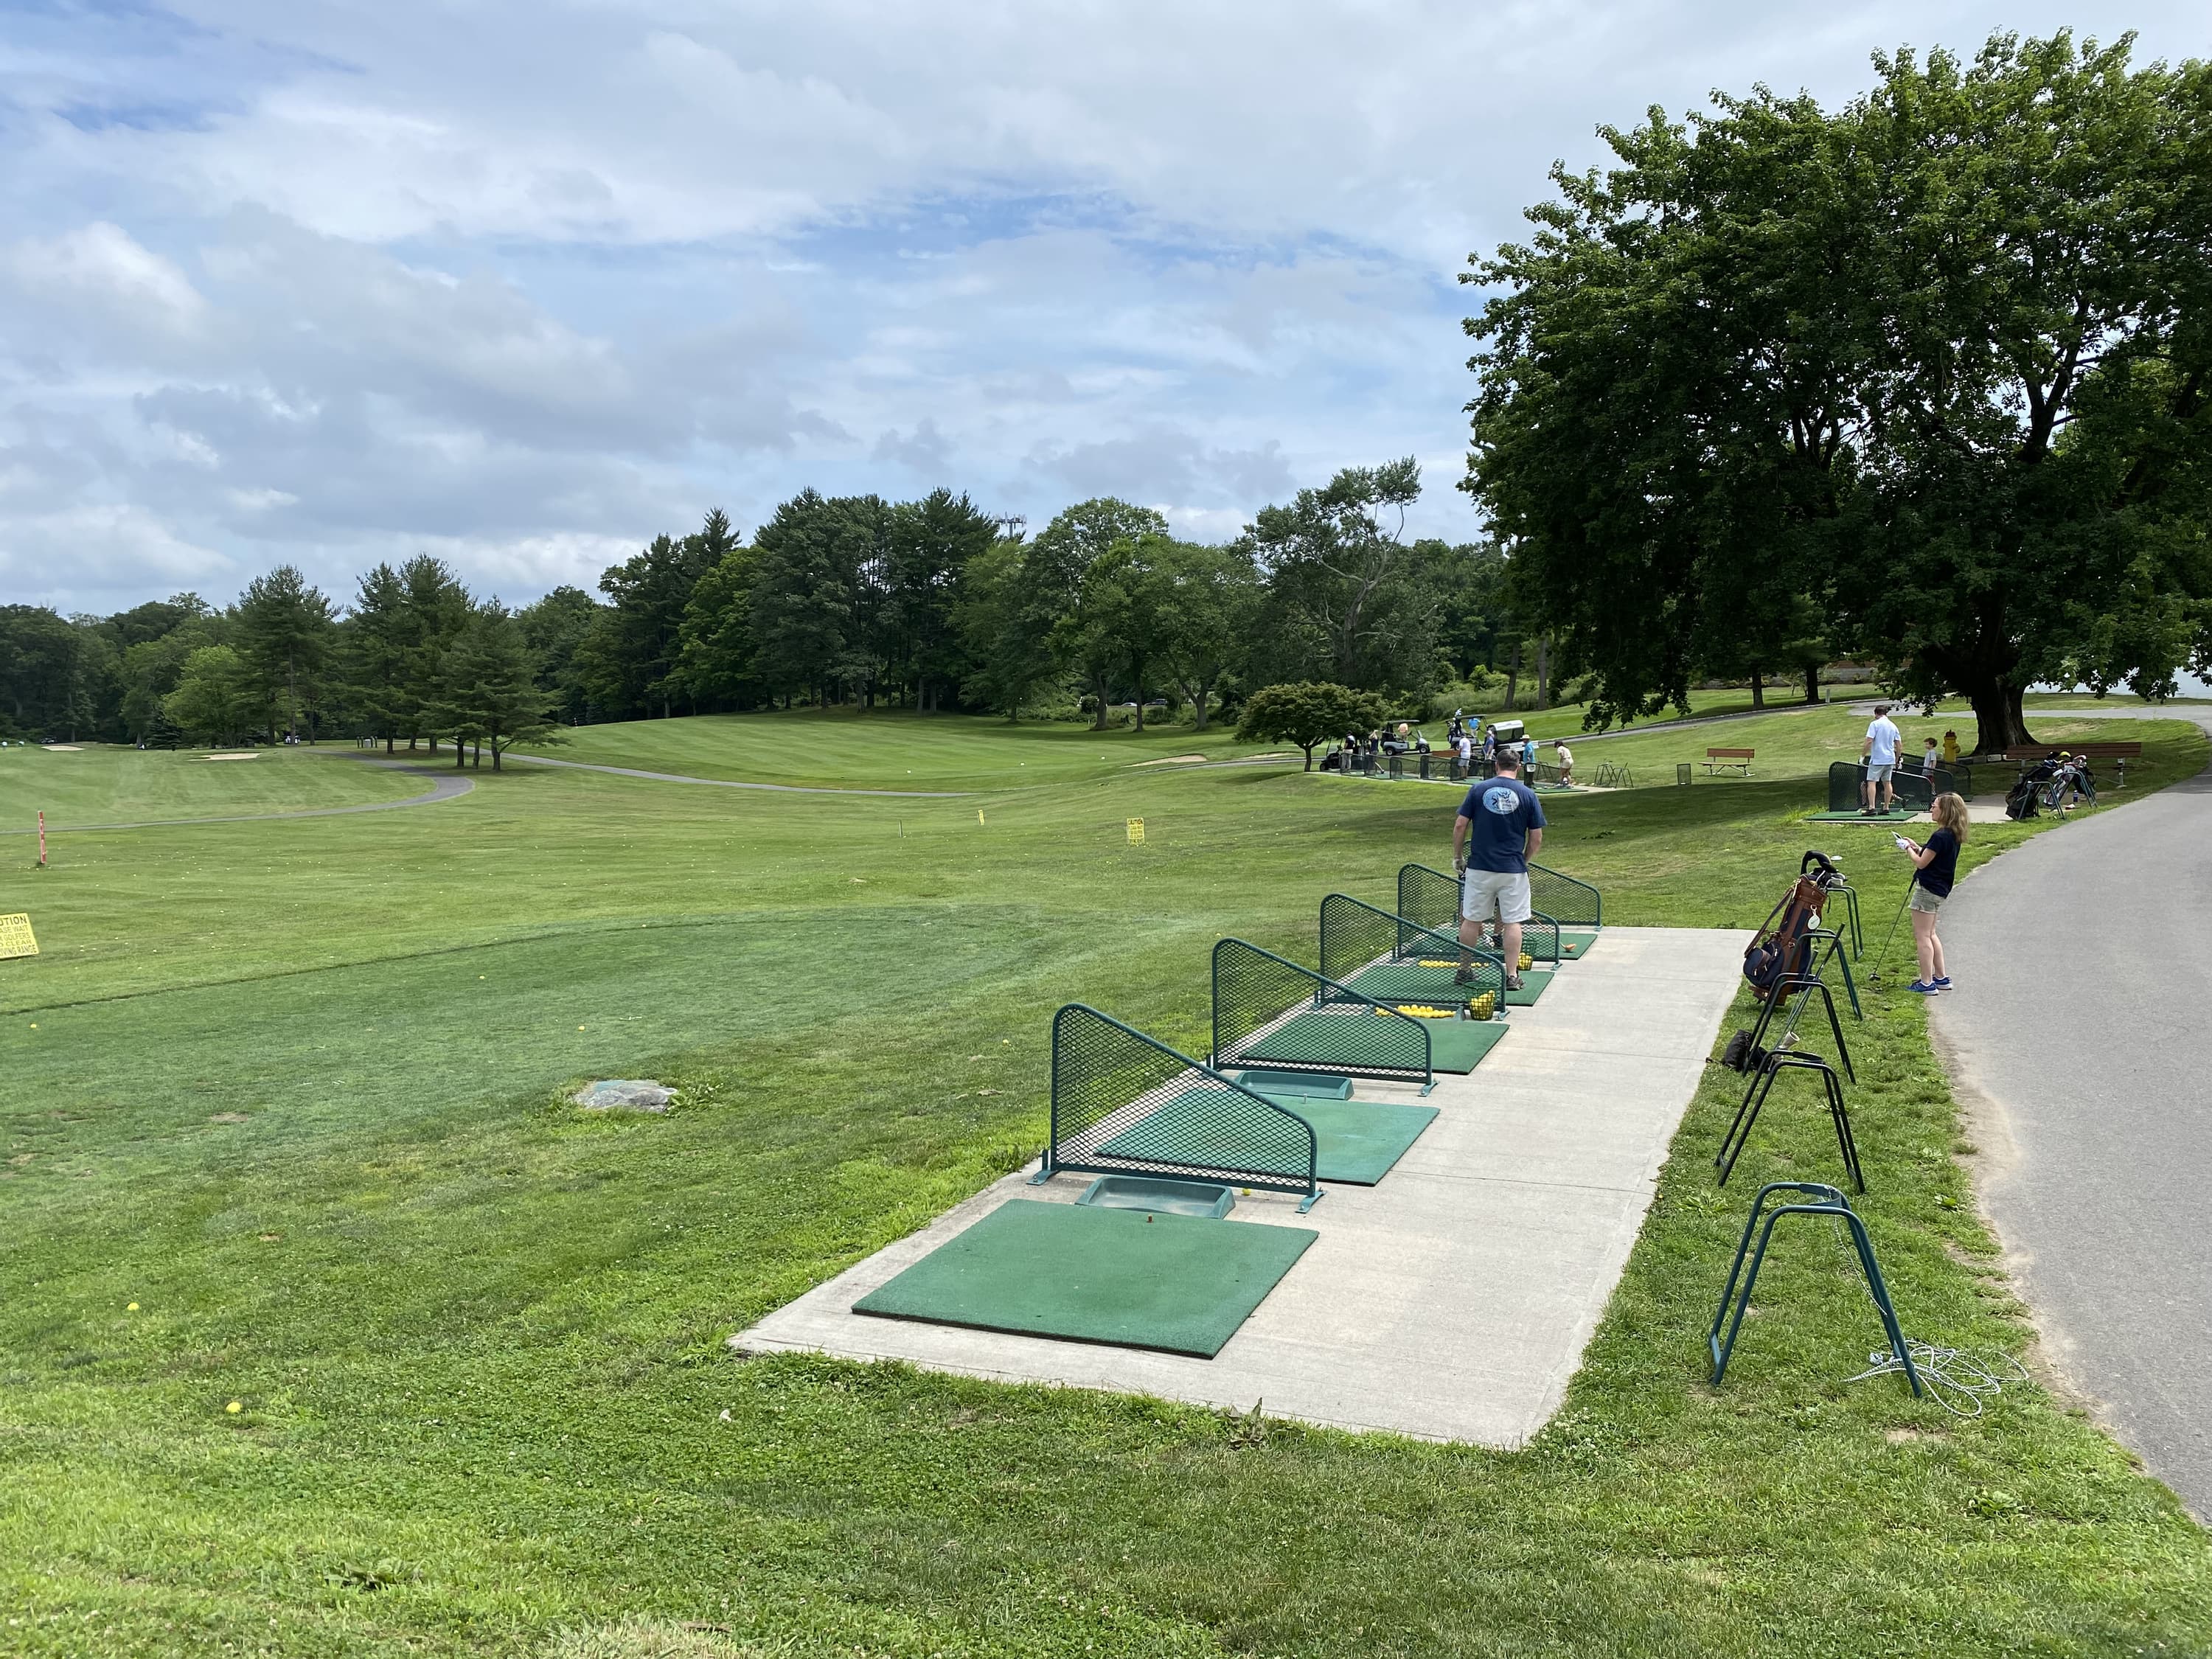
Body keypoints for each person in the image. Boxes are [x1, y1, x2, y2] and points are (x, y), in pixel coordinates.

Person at [1452, 747, 1546, 993]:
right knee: (1513, 921)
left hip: (1480, 867)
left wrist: (1458, 857)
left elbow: (1461, 825)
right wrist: (1523, 860)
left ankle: (1464, 970)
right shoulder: (1528, 794)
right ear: (1519, 766)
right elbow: (1536, 838)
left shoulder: (1478, 790)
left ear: (1496, 765)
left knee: (1471, 919)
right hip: (1512, 869)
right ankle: (1512, 976)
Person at [1897, 792, 1966, 994]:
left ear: (1945, 810)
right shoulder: (1952, 834)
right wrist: (1916, 846)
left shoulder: (1940, 835)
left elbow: (1921, 862)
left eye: (1935, 806)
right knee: (1931, 934)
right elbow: (1930, 855)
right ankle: (1941, 977)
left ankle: (1927, 982)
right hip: (1940, 890)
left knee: (1922, 937)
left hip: (1927, 890)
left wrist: (1907, 849)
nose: (1931, 809)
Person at [1861, 703, 1903, 815]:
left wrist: (1862, 756)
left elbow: (1869, 741)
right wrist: (1897, 759)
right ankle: (1886, 807)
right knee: (1887, 782)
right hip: (1890, 758)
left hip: (1878, 759)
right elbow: (1899, 745)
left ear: (1876, 713)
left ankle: (1871, 807)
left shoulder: (1874, 724)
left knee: (1871, 782)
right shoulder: (1893, 726)